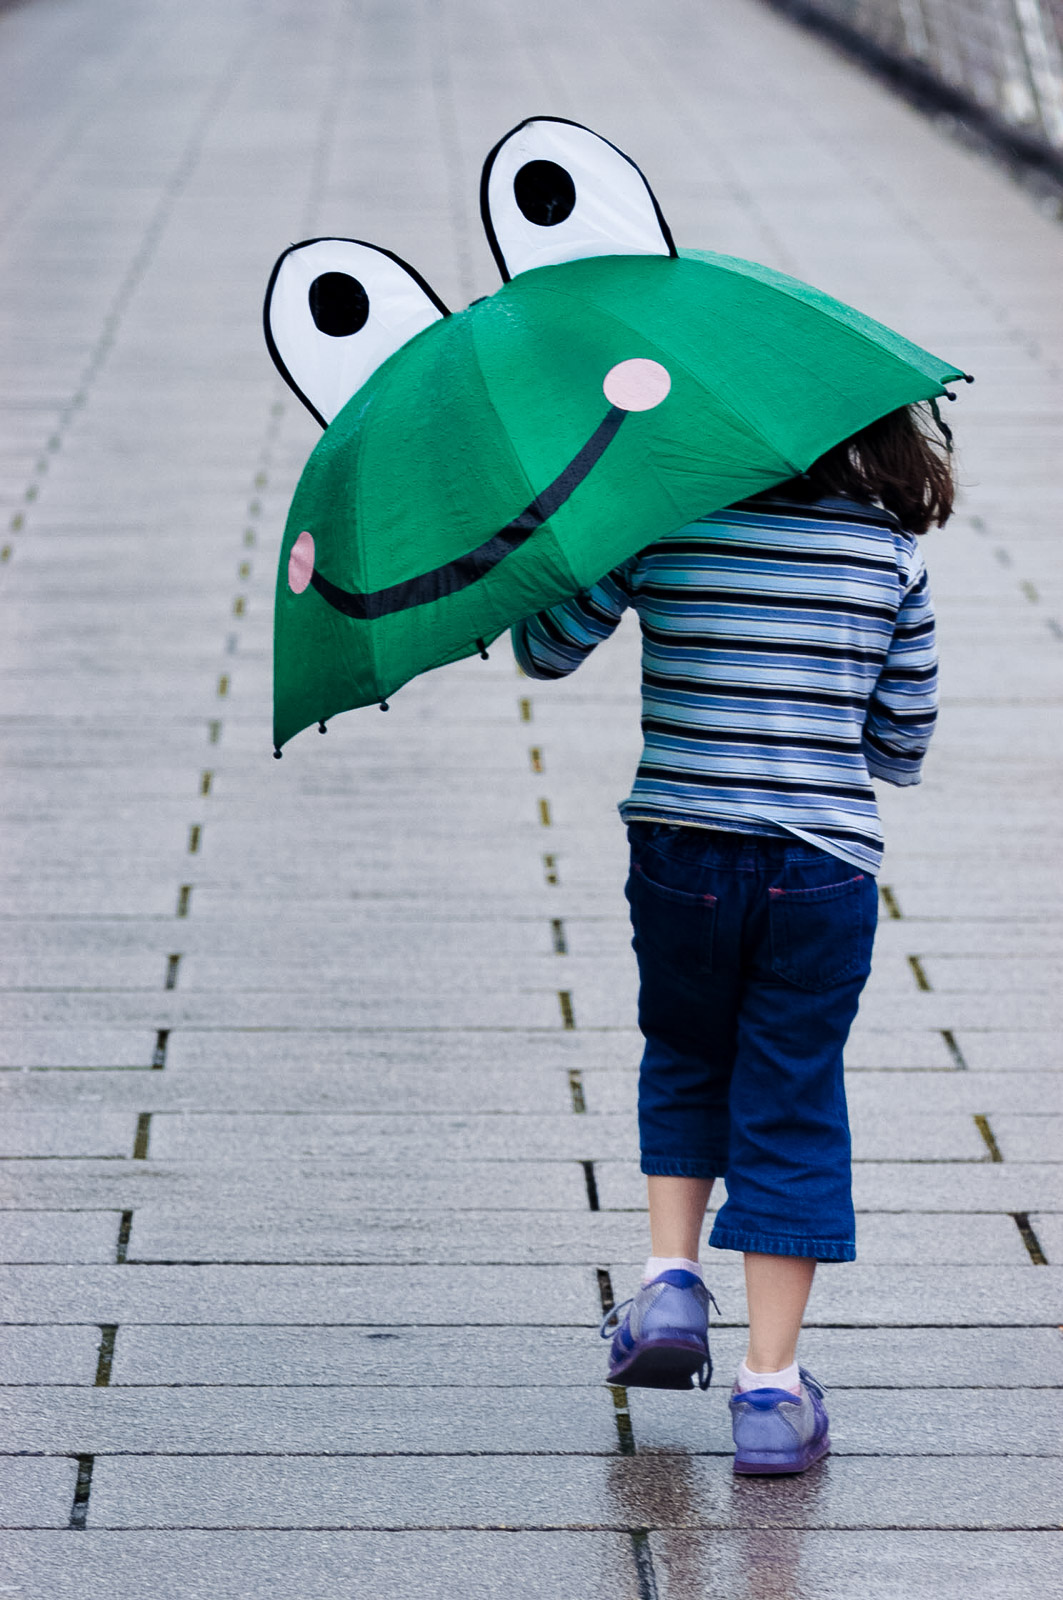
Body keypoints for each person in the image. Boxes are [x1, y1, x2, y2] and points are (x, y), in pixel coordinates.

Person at [511, 402, 952, 1475]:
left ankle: (669, 1279)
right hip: (820, 871)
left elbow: (546, 648)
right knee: (790, 1099)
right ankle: (767, 1391)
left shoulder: (663, 522)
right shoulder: (885, 553)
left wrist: (565, 535)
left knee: (685, 1052)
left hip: (679, 851)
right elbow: (901, 741)